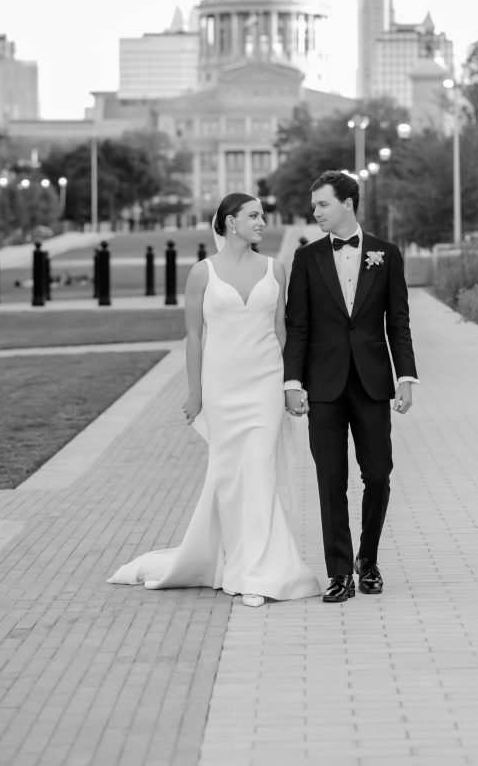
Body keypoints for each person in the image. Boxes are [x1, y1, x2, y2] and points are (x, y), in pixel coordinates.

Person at [108, 193, 321, 608]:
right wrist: (195, 393)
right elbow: (194, 337)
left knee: (260, 473)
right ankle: (223, 560)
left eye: (262, 215)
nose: (262, 221)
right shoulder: (202, 274)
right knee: (227, 478)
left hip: (265, 385)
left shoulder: (274, 269)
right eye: (253, 215)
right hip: (222, 388)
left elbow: (283, 333)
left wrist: (294, 385)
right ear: (228, 222)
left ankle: (257, 574)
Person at [284, 170, 418, 603]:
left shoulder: (386, 254)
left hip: (373, 383)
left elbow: (398, 322)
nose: (315, 211)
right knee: (330, 481)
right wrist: (292, 382)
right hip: (323, 386)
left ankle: (369, 560)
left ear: (347, 203)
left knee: (378, 474)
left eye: (322, 203)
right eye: (314, 204)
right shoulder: (307, 260)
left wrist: (406, 377)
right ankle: (339, 572)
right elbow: (298, 327)